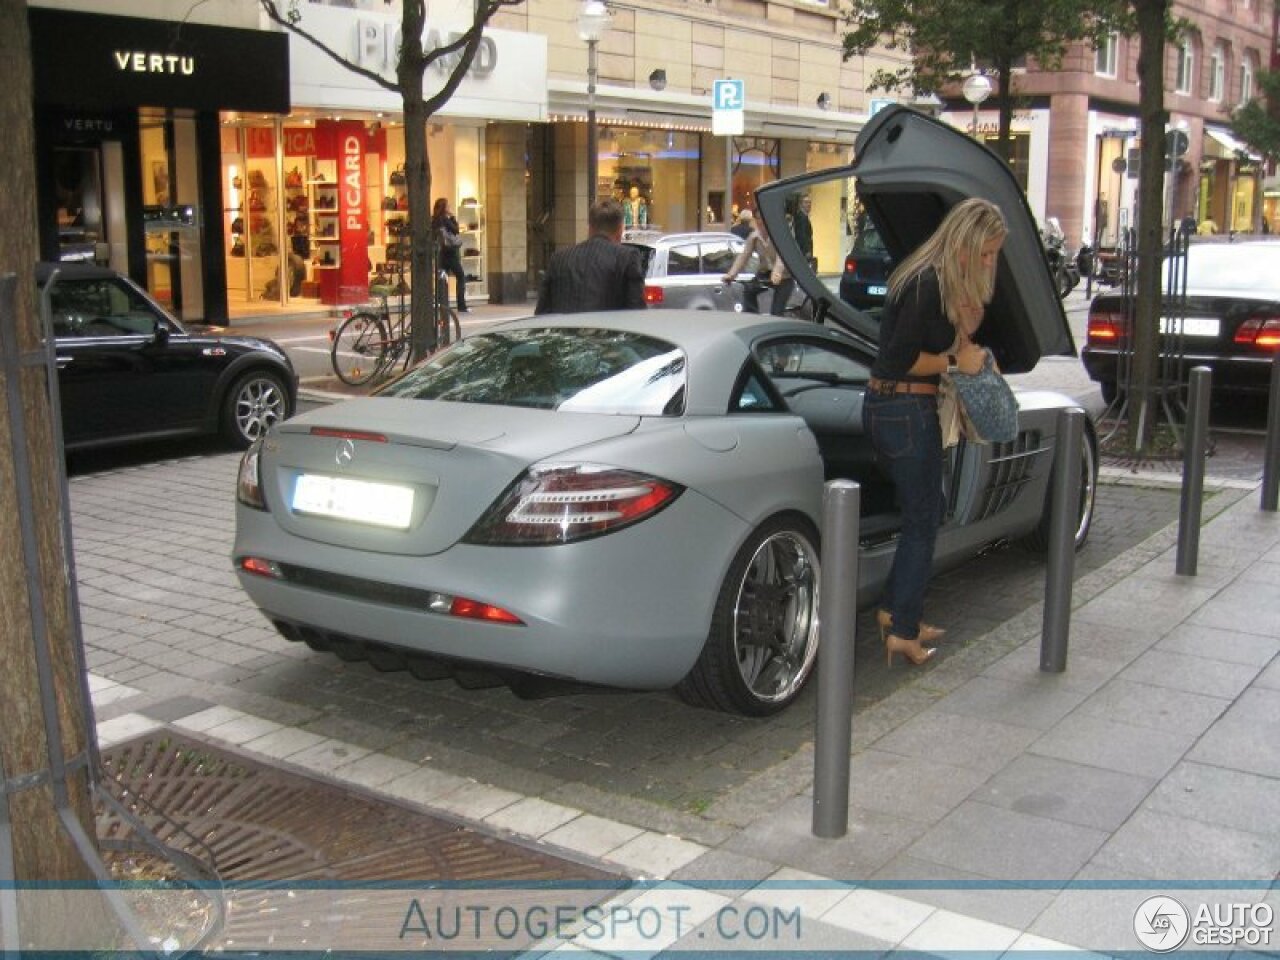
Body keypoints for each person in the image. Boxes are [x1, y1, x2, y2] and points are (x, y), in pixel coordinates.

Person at [863, 197, 1006, 668]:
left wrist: (970, 312)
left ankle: (897, 611)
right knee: (925, 516)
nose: (989, 262)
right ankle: (901, 630)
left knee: (924, 513)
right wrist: (953, 362)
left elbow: (964, 331)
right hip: (902, 407)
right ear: (963, 242)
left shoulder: (937, 281)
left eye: (993, 255)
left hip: (903, 408)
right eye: (984, 253)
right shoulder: (925, 283)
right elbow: (898, 360)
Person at [535, 198, 647, 314]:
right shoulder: (627, 257)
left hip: (564, 331)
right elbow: (636, 311)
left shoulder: (559, 258)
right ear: (620, 230)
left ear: (590, 228)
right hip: (609, 330)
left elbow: (542, 312)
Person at [721, 212, 794, 315]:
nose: (762, 222)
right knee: (749, 290)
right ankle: (753, 315)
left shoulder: (778, 234)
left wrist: (777, 272)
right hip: (765, 273)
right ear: (755, 220)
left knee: (777, 311)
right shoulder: (754, 236)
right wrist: (731, 274)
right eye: (758, 219)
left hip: (785, 276)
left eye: (764, 219)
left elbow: (781, 256)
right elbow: (743, 256)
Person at [431, 197, 468, 313]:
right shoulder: (445, 219)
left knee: (442, 279)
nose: (449, 207)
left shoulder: (434, 220)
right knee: (461, 276)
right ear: (444, 208)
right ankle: (461, 306)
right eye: (448, 206)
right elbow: (456, 230)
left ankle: (441, 304)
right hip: (450, 253)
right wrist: (452, 217)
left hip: (440, 253)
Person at [792, 193, 815, 269]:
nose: (809, 204)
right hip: (803, 252)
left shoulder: (804, 216)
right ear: (801, 204)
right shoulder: (801, 217)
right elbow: (802, 235)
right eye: (806, 202)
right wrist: (806, 251)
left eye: (809, 202)